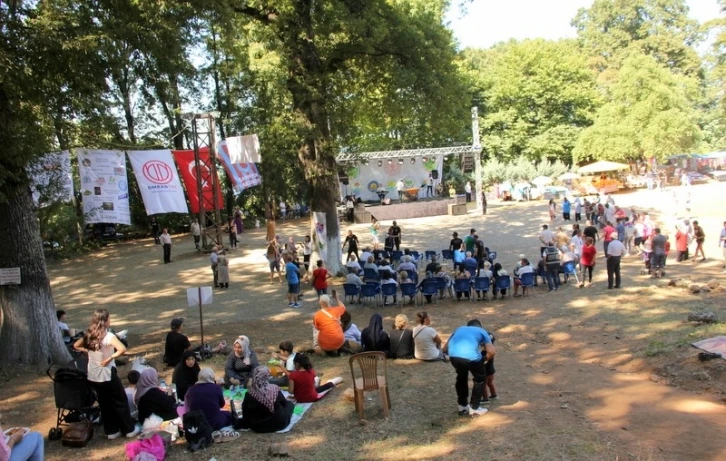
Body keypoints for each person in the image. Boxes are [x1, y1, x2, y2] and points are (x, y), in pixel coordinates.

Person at [73, 309, 140, 439]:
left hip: (93, 375)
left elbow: (76, 345)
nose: (111, 320)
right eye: (109, 318)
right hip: (107, 373)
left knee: (104, 403)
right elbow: (122, 349)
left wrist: (87, 351)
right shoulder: (109, 336)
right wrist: (110, 358)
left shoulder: (90, 334)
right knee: (119, 400)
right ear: (105, 320)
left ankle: (111, 431)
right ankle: (128, 429)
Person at [442, 319, 495, 416]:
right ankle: (475, 408)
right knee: (480, 379)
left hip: (454, 356)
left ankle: (462, 406)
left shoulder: (459, 329)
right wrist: (483, 360)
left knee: (461, 377)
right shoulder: (482, 331)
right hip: (471, 357)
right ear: (480, 326)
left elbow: (445, 349)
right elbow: (491, 352)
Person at [237, 367, 294, 433]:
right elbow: (284, 403)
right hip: (279, 423)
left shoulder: (249, 394)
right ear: (266, 376)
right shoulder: (274, 389)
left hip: (257, 427)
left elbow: (245, 413)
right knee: (290, 404)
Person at [279, 354, 343, 403]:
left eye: (294, 364)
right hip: (312, 397)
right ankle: (332, 382)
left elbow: (291, 391)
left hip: (299, 399)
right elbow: (313, 385)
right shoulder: (311, 371)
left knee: (318, 388)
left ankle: (332, 382)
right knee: (327, 386)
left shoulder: (293, 375)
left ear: (297, 364)